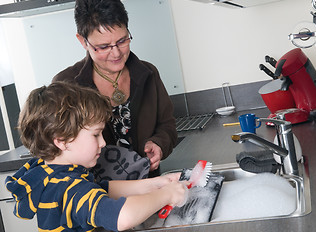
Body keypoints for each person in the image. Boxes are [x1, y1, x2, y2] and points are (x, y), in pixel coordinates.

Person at [5, 82, 188, 232]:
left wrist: (156, 184)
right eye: (95, 135)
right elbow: (122, 217)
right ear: (62, 141)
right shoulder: (69, 188)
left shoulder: (49, 174)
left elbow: (101, 189)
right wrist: (166, 195)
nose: (103, 143)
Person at [52, 0, 177, 178]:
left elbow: (167, 126)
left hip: (149, 186)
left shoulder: (148, 73)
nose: (116, 53)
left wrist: (158, 144)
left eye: (122, 40)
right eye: (103, 47)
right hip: (96, 197)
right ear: (82, 41)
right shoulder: (66, 85)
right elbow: (60, 152)